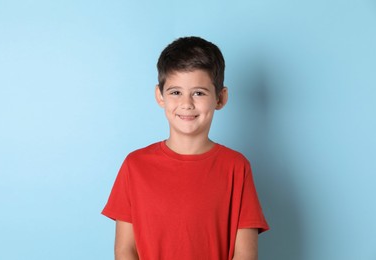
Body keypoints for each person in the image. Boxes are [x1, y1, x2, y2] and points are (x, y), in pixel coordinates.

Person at [102, 36, 269, 260]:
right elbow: (125, 250)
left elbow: (245, 254)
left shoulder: (236, 167)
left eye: (199, 93)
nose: (187, 103)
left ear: (220, 98)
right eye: (175, 92)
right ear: (160, 96)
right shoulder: (135, 166)